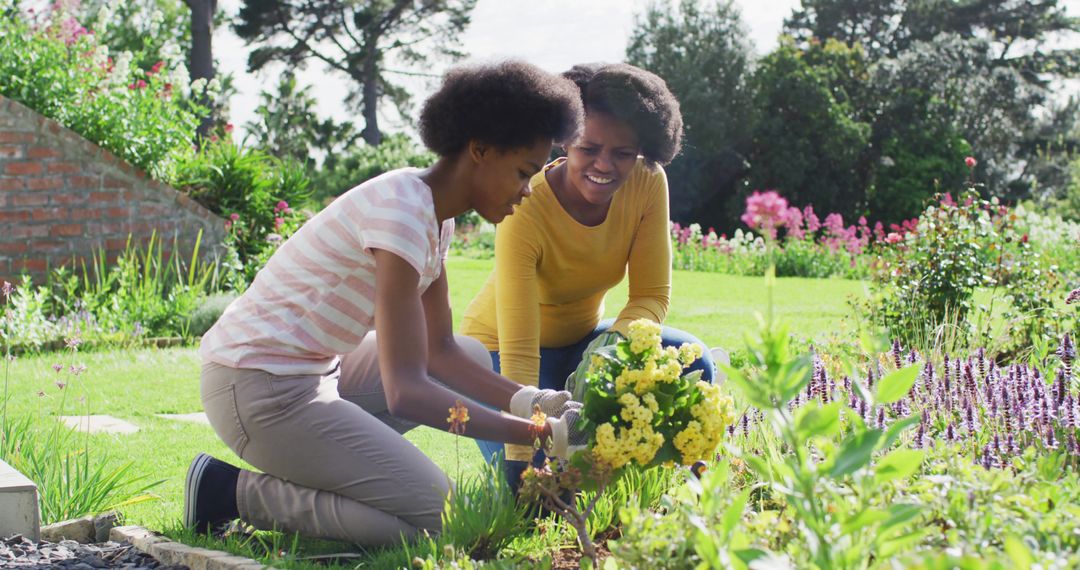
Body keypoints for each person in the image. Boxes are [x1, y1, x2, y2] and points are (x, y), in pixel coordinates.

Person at [184, 61, 591, 547]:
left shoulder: (434, 215)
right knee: (447, 521)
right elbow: (406, 391)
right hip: (257, 388)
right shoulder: (401, 213)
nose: (527, 191)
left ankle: (329, 462)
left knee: (471, 352)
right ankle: (229, 493)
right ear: (479, 149)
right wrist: (538, 433)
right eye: (524, 172)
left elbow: (438, 351)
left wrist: (530, 400)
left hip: (312, 371)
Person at [461, 63, 717, 484]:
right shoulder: (525, 207)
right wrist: (523, 460)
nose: (605, 165)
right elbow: (521, 352)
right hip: (500, 354)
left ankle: (655, 482)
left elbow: (651, 295)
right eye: (588, 148)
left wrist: (610, 359)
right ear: (564, 141)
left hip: (584, 346)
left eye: (623, 153)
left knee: (691, 360)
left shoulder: (648, 182)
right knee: (535, 484)